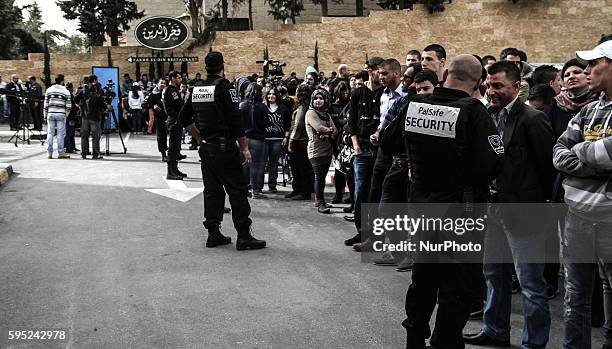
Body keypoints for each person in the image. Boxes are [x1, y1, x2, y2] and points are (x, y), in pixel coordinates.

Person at [402, 54, 503, 349]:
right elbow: (494, 162)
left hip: (422, 207)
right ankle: (445, 341)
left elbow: (389, 141)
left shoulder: (414, 105)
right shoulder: (474, 111)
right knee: (455, 283)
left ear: (446, 73)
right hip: (462, 211)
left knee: (423, 279)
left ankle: (414, 336)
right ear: (479, 83)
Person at [464, 60, 555, 348]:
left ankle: (534, 342)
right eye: (489, 85)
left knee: (530, 282)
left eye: (498, 86)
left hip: (524, 212)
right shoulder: (488, 117)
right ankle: (495, 331)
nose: (492, 91)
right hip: (494, 208)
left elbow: (547, 168)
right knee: (494, 274)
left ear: (517, 87)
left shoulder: (533, 119)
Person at [553, 39, 612, 349]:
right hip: (577, 217)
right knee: (575, 296)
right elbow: (558, 152)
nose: (588, 70)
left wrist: (580, 154)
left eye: (594, 63)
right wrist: (593, 160)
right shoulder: (589, 109)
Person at [179, 51, 266, 251]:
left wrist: (199, 137)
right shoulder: (225, 87)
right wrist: (244, 148)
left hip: (207, 149)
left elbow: (183, 118)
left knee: (212, 192)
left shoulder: (197, 88)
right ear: (222, 67)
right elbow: (236, 122)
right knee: (237, 191)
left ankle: (213, 233)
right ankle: (244, 236)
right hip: (225, 148)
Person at [305, 88, 338, 214]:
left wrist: (327, 133)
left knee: (322, 176)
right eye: (316, 98)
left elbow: (335, 131)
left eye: (321, 98)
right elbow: (319, 127)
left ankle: (320, 199)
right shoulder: (311, 113)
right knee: (319, 176)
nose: (318, 101)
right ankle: (320, 202)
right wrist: (327, 131)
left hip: (327, 150)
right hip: (316, 150)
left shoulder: (326, 114)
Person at [240, 83, 268, 199]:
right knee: (256, 165)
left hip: (243, 138)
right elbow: (266, 123)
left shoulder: (241, 105)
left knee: (244, 165)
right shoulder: (262, 107)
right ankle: (255, 190)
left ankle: (244, 189)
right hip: (258, 138)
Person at [287, 84, 314, 201]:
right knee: (299, 168)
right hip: (303, 142)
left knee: (301, 168)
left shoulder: (302, 109)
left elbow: (297, 127)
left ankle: (303, 192)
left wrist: (291, 142)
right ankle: (297, 189)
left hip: (300, 143)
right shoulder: (306, 108)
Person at [263, 87, 291, 193]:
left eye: (273, 94)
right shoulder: (263, 107)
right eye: (269, 94)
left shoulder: (283, 108)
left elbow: (288, 124)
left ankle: (272, 185)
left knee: (273, 163)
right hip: (265, 139)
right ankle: (259, 186)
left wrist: (286, 137)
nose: (271, 96)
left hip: (277, 139)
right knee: (263, 163)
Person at [163, 71, 187, 180]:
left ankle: (175, 169)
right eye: (178, 77)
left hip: (177, 120)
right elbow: (178, 105)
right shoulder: (171, 90)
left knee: (176, 147)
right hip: (174, 120)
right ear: (172, 78)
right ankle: (170, 172)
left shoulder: (174, 90)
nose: (180, 79)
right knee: (173, 147)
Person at [43, 75, 72, 159]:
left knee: (50, 133)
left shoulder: (49, 90)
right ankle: (61, 152)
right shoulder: (65, 91)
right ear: (62, 81)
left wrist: (45, 115)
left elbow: (45, 104)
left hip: (50, 113)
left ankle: (49, 153)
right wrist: (66, 114)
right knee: (60, 134)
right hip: (61, 114)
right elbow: (69, 105)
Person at [80, 82, 107, 160]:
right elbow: (104, 106)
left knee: (84, 136)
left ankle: (84, 154)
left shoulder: (83, 96)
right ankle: (95, 154)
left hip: (84, 118)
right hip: (94, 119)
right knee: (95, 137)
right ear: (94, 89)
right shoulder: (97, 96)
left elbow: (76, 100)